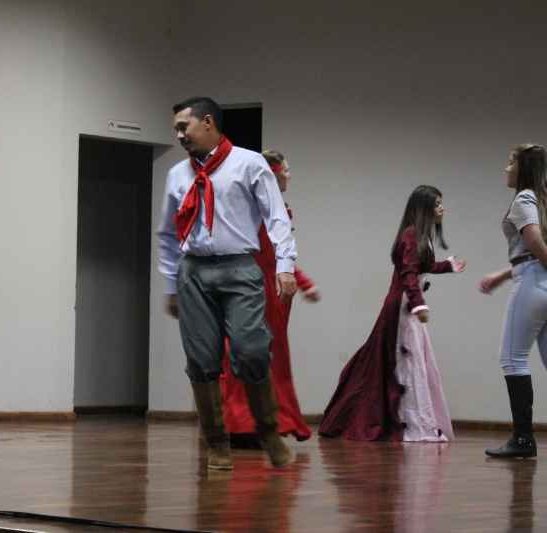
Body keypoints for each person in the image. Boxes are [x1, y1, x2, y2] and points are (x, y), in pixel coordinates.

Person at [156, 97, 298, 470]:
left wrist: (285, 266)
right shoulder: (177, 175)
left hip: (239, 268)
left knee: (250, 350)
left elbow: (276, 217)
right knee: (201, 359)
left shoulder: (249, 164)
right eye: (176, 129)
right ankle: (217, 444)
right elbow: (168, 234)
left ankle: (268, 432)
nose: (179, 135)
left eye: (183, 127)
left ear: (207, 122)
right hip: (194, 271)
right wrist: (170, 283)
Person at [319, 185, 465, 442]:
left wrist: (447, 266)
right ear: (423, 208)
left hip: (406, 306)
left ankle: (410, 420)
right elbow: (408, 273)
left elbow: (423, 266)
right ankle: (408, 422)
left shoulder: (419, 236)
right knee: (406, 363)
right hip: (403, 309)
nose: (442, 208)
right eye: (436, 204)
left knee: (410, 362)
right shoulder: (411, 236)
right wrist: (418, 303)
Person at [220, 150, 318, 444]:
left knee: (262, 357)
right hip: (260, 293)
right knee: (258, 357)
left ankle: (255, 423)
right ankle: (248, 424)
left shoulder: (259, 209)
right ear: (273, 174)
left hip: (265, 291)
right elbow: (268, 256)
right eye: (286, 170)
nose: (290, 175)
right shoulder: (260, 212)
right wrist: (303, 282)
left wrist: (302, 282)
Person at [481, 144, 547, 459]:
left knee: (511, 358)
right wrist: (503, 274)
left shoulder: (524, 198)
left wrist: (512, 275)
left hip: (533, 283)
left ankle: (523, 439)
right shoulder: (541, 200)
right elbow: (532, 252)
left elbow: (534, 242)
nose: (506, 169)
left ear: (524, 168)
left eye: (511, 163)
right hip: (537, 279)